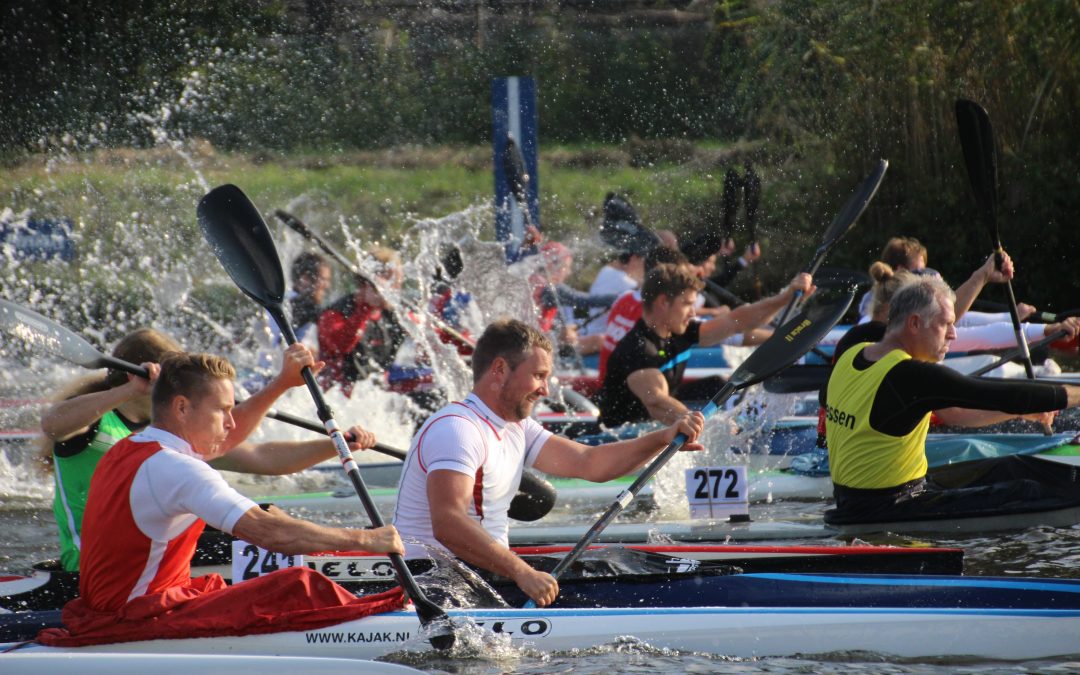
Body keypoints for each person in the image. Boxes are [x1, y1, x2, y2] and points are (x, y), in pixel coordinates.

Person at [38, 351, 404, 647]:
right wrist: (366, 539)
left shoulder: (130, 448)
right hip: (139, 619)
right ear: (182, 408)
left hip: (122, 606)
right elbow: (267, 533)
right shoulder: (176, 468)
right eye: (223, 410)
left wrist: (283, 384)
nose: (231, 423)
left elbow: (251, 451)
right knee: (297, 585)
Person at [392, 319, 704, 607]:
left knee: (614, 562)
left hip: (479, 570)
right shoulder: (458, 429)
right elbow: (448, 523)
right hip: (432, 581)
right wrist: (522, 572)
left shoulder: (515, 427)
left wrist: (663, 437)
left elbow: (590, 462)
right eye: (538, 376)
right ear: (499, 369)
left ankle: (702, 584)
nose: (545, 390)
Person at [40, 329, 378, 571]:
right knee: (260, 532)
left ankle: (332, 566)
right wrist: (128, 391)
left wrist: (338, 444)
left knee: (267, 513)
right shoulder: (97, 424)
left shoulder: (170, 432)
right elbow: (52, 424)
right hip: (94, 567)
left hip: (150, 552)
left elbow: (261, 458)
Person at [823, 274, 1080, 525]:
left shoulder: (852, 352)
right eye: (945, 324)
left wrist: (1018, 414)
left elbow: (956, 414)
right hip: (888, 509)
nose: (953, 334)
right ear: (914, 324)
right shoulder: (910, 375)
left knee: (1010, 467)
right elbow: (1006, 396)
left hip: (859, 500)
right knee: (1026, 491)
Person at [597, 263, 813, 427]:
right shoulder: (638, 349)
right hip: (619, 436)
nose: (693, 312)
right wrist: (707, 427)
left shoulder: (680, 331)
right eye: (687, 304)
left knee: (719, 385)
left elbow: (737, 321)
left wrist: (784, 298)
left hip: (652, 429)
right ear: (663, 302)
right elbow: (658, 403)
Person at [530, 241, 615, 356]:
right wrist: (624, 297)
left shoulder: (533, 281)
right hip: (536, 351)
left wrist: (565, 332)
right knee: (599, 340)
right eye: (566, 267)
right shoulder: (550, 290)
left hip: (533, 343)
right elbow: (588, 301)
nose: (569, 272)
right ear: (552, 266)